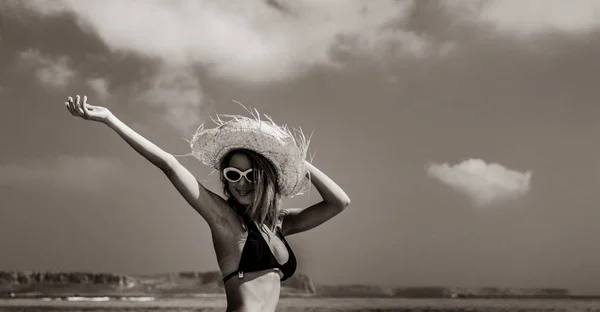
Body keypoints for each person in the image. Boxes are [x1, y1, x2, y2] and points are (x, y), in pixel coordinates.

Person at [64, 95, 350, 312]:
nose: (241, 182)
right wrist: (109, 118)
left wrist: (292, 160)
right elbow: (169, 164)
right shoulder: (224, 220)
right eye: (233, 174)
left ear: (266, 178)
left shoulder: (279, 224)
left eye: (251, 174)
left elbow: (339, 202)